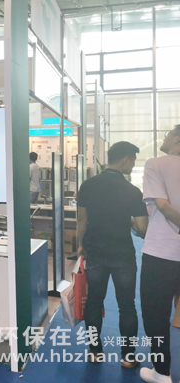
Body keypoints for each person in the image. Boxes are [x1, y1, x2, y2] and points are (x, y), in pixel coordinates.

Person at [77, 141, 149, 367]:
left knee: (94, 300)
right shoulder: (132, 191)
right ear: (126, 159)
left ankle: (94, 351)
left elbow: (81, 219)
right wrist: (129, 222)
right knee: (126, 305)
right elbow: (142, 227)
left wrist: (80, 245)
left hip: (95, 251)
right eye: (133, 160)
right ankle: (128, 357)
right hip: (122, 254)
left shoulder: (88, 185)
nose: (133, 164)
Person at [139, 125, 180, 383]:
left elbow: (162, 205)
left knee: (156, 314)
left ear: (178, 138)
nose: (164, 137)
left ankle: (162, 373)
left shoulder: (155, 164)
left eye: (168, 133)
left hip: (161, 253)